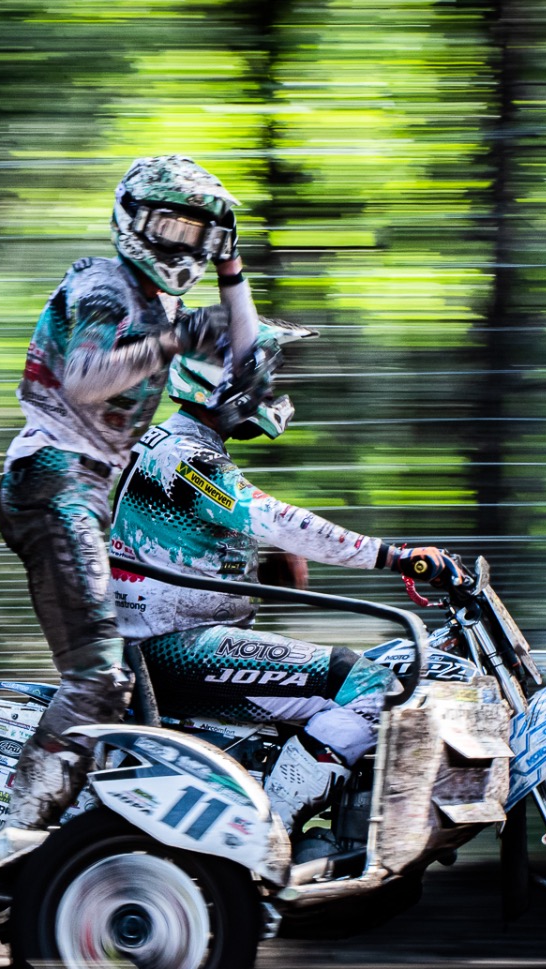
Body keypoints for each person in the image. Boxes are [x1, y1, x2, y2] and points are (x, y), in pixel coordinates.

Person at [0, 155, 265, 865]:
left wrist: (232, 271)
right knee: (98, 677)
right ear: (134, 221)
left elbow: (248, 362)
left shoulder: (162, 305)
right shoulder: (104, 284)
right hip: (53, 479)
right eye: (171, 227)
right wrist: (176, 339)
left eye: (200, 234)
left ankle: (102, 828)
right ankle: (12, 839)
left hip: (86, 491)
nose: (183, 246)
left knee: (133, 684)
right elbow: (84, 380)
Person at [108, 323, 466, 838]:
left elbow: (196, 544)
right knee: (376, 689)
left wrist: (263, 558)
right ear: (225, 381)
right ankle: (269, 835)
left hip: (177, 642)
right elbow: (273, 516)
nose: (271, 391)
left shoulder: (179, 447)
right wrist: (397, 557)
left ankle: (330, 836)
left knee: (364, 681)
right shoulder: (184, 457)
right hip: (173, 651)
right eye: (264, 378)